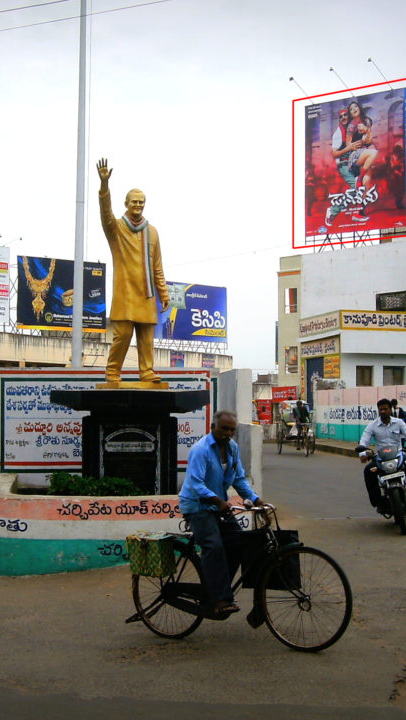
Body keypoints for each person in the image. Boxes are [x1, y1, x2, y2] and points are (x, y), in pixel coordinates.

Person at [178, 410, 265, 616]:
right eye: (224, 429)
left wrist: (255, 499)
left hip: (218, 505)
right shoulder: (201, 450)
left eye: (232, 430)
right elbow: (195, 483)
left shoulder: (233, 449)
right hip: (197, 506)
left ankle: (218, 587)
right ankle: (218, 597)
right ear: (213, 428)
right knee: (213, 546)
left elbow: (239, 478)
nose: (228, 433)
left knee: (238, 544)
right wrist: (217, 500)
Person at [96, 158, 170, 386]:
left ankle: (147, 372)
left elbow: (157, 266)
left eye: (141, 203)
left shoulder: (153, 232)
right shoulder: (116, 228)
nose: (137, 206)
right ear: (126, 204)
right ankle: (112, 372)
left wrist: (164, 293)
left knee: (147, 338)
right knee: (123, 335)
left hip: (147, 295)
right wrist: (104, 185)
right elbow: (105, 213)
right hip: (126, 294)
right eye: (134, 202)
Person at [358, 398, 406, 509]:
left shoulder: (399, 422)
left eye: (385, 409)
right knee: (369, 471)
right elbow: (364, 440)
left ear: (390, 410)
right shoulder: (372, 425)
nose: (383, 411)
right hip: (381, 457)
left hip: (398, 454)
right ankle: (378, 502)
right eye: (381, 409)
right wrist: (362, 454)